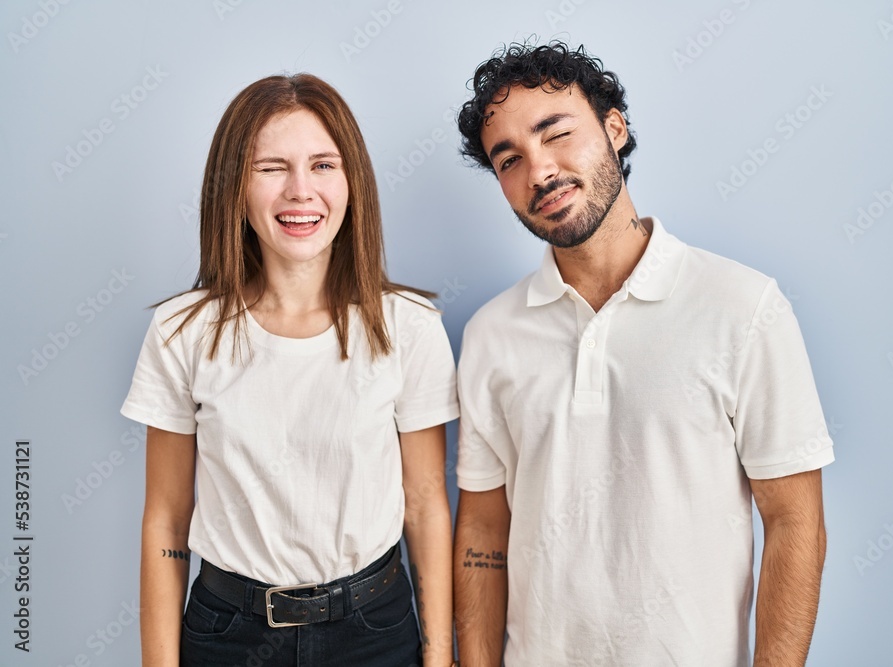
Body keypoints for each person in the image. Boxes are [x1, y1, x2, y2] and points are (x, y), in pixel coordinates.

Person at [453, 42, 834, 666]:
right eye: (509, 160)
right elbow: (484, 531)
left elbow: (796, 525)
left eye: (556, 134)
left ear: (614, 128)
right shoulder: (492, 334)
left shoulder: (742, 307)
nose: (540, 171)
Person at [121, 73, 458, 666]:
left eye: (323, 165)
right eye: (271, 167)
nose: (300, 191)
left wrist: (439, 657)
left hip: (376, 630)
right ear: (235, 187)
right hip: (229, 634)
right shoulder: (182, 331)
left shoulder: (410, 326)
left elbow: (426, 504)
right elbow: (165, 521)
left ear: (353, 183)